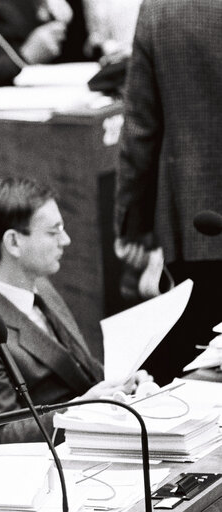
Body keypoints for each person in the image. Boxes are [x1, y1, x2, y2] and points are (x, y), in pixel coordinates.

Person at [0, 177, 150, 445]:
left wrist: (124, 383)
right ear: (14, 242)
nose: (66, 240)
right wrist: (82, 410)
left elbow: (81, 369)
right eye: (54, 231)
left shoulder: (41, 285)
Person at [114, 0, 222, 385]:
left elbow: (141, 127)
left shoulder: (162, 9)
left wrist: (131, 226)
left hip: (194, 215)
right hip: (196, 217)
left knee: (198, 366)